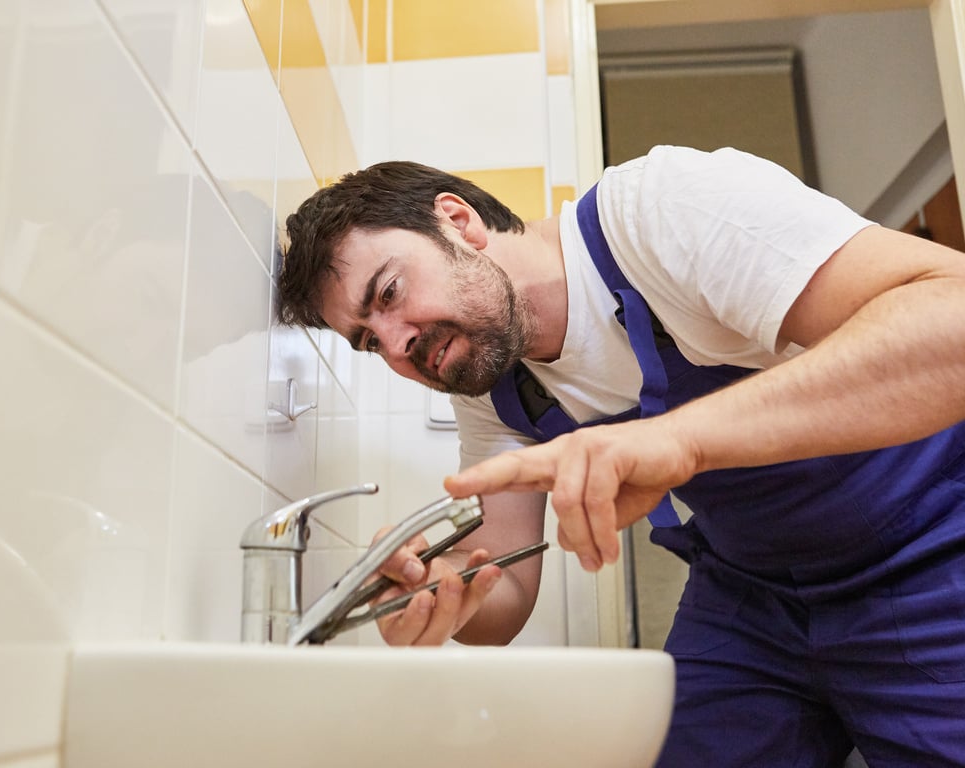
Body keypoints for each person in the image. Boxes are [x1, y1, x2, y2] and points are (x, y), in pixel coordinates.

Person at [276, 145, 965, 766]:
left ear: (458, 221)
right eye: (370, 340)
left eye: (389, 294)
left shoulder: (663, 212)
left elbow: (952, 317)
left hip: (932, 551)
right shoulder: (491, 383)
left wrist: (680, 436)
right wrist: (447, 593)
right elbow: (507, 594)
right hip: (754, 595)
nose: (397, 346)